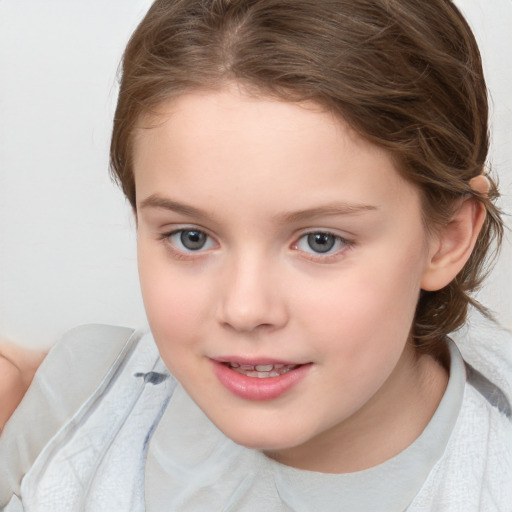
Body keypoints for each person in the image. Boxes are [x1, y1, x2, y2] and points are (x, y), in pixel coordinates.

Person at [1, 0, 511, 510]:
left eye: (320, 242)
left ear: (446, 237)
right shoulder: (76, 406)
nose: (245, 310)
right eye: (191, 237)